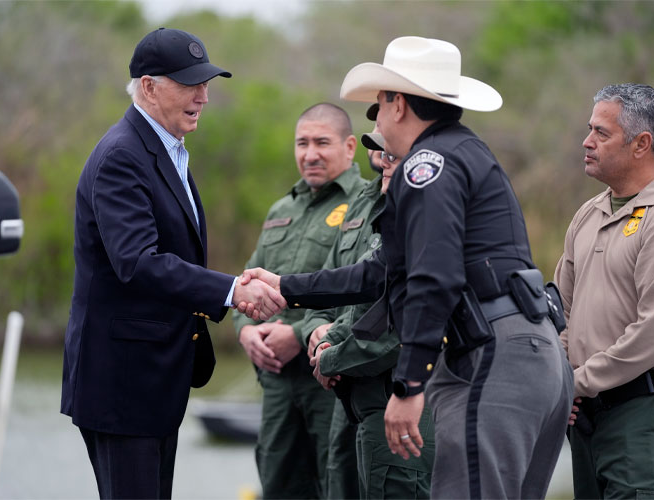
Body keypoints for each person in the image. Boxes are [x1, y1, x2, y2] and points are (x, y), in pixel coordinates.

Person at [241, 36, 574, 499]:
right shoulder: (461, 151)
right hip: (529, 353)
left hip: (493, 357)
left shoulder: (427, 165)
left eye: (379, 105)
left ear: (398, 104)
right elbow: (380, 273)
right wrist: (287, 287)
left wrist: (409, 384)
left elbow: (431, 280)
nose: (376, 119)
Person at [60, 28, 285, 500]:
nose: (203, 96)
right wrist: (232, 290)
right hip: (123, 385)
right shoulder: (122, 155)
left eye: (206, 83)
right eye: (189, 84)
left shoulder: (166, 149)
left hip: (153, 383)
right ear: (148, 86)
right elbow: (138, 263)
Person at [555, 83, 654, 499]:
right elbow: (562, 311)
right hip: (586, 417)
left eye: (601, 132)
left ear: (641, 144)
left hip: (647, 417)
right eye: (589, 129)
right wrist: (562, 379)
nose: (587, 141)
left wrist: (576, 382)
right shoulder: (589, 213)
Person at [232, 102, 367, 499]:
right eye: (302, 143)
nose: (310, 154)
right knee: (277, 482)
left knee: (338, 483)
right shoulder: (280, 209)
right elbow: (248, 276)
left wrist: (297, 332)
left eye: (322, 143)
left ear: (349, 147)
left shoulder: (365, 205)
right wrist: (244, 332)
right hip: (276, 384)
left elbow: (367, 288)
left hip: (331, 380)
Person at [305, 120, 436, 499]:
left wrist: (330, 359)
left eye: (393, 152)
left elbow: (398, 326)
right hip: (358, 398)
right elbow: (344, 290)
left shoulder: (427, 220)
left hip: (402, 400)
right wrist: (320, 337)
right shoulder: (369, 205)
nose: (382, 158)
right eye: (380, 149)